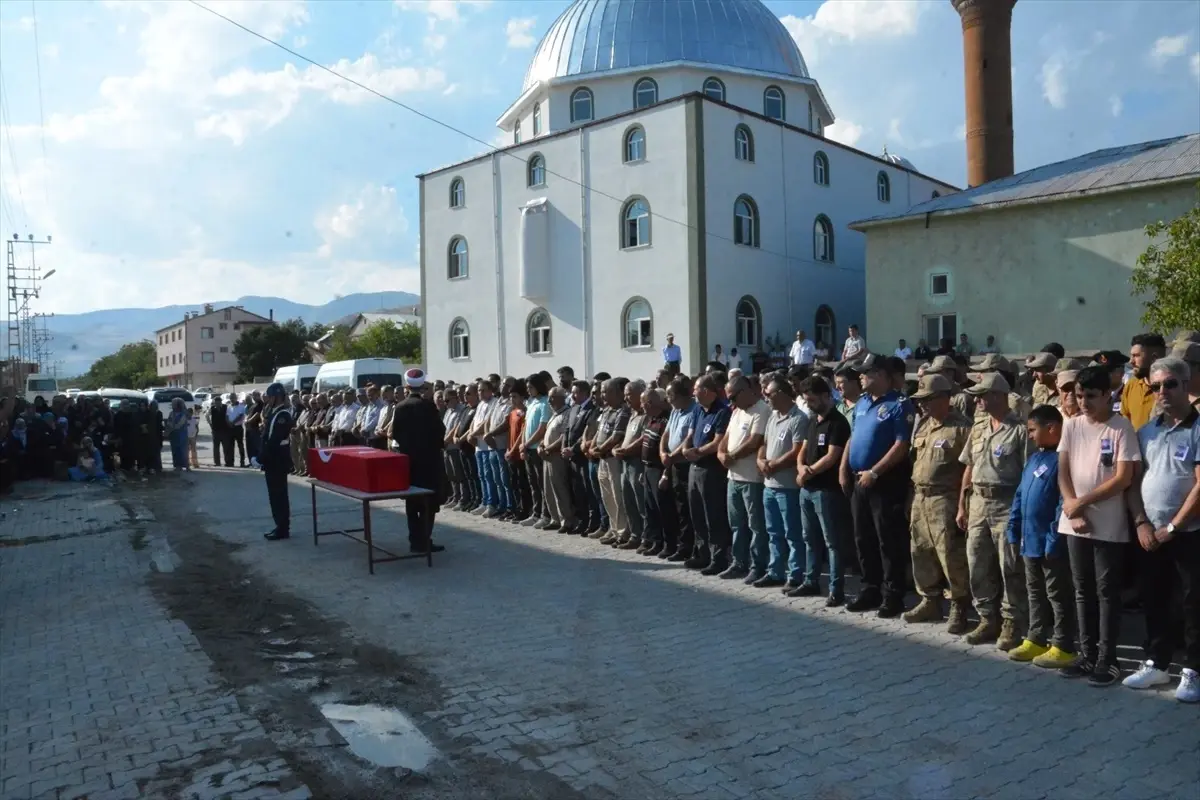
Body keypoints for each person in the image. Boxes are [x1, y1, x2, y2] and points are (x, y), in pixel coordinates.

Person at [1057, 365, 1140, 686]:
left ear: (1108, 395)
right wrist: (1071, 505)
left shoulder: (1121, 428)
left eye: (1091, 396)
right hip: (1074, 522)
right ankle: (1087, 653)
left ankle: (1108, 658)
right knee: (1082, 590)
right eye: (1079, 396)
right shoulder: (1073, 426)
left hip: (1107, 524)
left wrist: (1083, 501)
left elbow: (1123, 477)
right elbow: (1063, 471)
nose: (1083, 402)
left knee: (1106, 592)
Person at [1124, 356, 1200, 702]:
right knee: (1153, 598)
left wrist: (1174, 525)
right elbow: (1133, 482)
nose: (1162, 392)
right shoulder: (1146, 432)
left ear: (1186, 385)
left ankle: (1193, 670)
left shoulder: (1198, 428)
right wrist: (1141, 523)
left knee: (1191, 602)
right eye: (1156, 386)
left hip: (1188, 533)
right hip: (1150, 533)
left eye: (1170, 384)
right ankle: (1156, 663)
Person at [957, 372, 1029, 650]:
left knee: (1009, 565)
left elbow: (1027, 473)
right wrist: (962, 504)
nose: (978, 400)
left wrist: (1020, 512)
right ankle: (988, 618)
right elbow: (969, 466)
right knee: (976, 562)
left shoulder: (1019, 430)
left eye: (983, 395)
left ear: (999, 395)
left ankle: (1012, 621)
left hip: (1006, 503)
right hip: (978, 502)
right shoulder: (978, 428)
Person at [839, 353, 913, 616]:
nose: (860, 376)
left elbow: (901, 445)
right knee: (863, 537)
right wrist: (844, 468)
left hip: (885, 480)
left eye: (865, 372)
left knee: (888, 540)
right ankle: (870, 587)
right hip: (860, 478)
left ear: (880, 375)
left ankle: (893, 594)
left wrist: (876, 471)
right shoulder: (861, 403)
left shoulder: (899, 404)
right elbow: (854, 436)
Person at [1004, 404, 1077, 668]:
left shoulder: (1063, 459)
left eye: (1033, 430)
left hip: (1049, 543)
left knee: (1057, 594)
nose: (1031, 436)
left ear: (1052, 428)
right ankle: (1036, 637)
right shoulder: (1035, 458)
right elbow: (1021, 495)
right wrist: (1013, 528)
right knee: (1034, 591)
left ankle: (1064, 644)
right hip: (1028, 540)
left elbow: (1061, 503)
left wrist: (1053, 539)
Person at [904, 374, 973, 633]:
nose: (922, 405)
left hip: (946, 498)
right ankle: (929, 599)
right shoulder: (923, 426)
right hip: (920, 497)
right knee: (920, 551)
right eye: (921, 400)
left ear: (945, 398)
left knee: (950, 555)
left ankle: (959, 605)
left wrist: (962, 507)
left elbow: (969, 469)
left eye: (928, 400)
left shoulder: (963, 428)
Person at [390, 368, 447, 554]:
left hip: (410, 463)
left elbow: (395, 433)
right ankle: (425, 540)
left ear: (407, 386)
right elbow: (440, 431)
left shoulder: (400, 407)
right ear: (422, 386)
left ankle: (415, 540)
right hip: (429, 463)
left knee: (412, 503)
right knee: (429, 504)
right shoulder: (428, 406)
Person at [260, 382, 294, 541]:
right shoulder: (274, 413)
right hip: (272, 460)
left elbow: (274, 440)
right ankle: (279, 525)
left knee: (279, 495)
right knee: (274, 495)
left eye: (270, 397)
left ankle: (282, 528)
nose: (267, 400)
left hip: (277, 460)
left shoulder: (283, 415)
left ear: (276, 397)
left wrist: (261, 457)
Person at [165, 398, 189, 472]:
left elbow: (180, 424)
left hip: (182, 435)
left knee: (183, 450)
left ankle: (185, 465)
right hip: (174, 435)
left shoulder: (184, 413)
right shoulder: (171, 413)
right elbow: (168, 422)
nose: (172, 406)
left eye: (174, 404)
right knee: (175, 450)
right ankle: (177, 465)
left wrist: (172, 426)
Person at [226, 393, 247, 467]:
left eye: (233, 397)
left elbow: (241, 416)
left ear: (236, 398)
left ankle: (242, 462)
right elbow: (227, 416)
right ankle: (231, 462)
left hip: (238, 428)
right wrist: (229, 423)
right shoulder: (229, 407)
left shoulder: (241, 406)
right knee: (230, 446)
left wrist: (233, 423)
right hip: (230, 428)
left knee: (240, 445)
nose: (232, 399)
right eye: (231, 398)